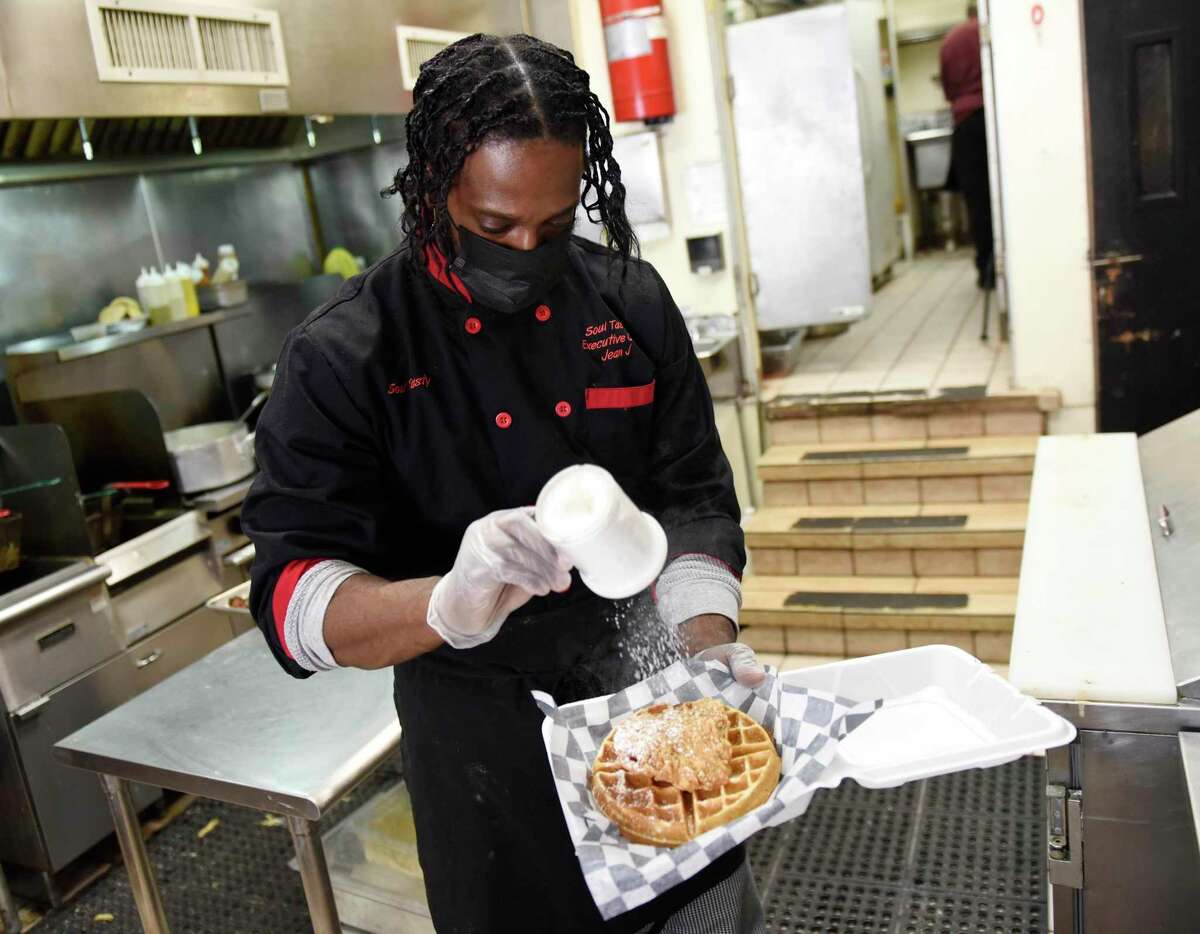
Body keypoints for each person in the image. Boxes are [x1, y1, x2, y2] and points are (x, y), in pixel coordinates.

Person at [241, 33, 767, 934]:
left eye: (553, 226)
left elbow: (693, 495)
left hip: (655, 713)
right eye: (495, 226)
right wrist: (446, 601)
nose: (526, 249)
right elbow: (293, 602)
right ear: (434, 182)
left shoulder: (629, 303)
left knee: (708, 917)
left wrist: (704, 643)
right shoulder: (346, 355)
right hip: (487, 759)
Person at [940, 4, 994, 288]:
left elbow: (948, 90)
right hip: (997, 119)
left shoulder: (951, 40)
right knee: (1003, 196)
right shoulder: (994, 31)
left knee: (978, 201)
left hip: (966, 124)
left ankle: (986, 269)